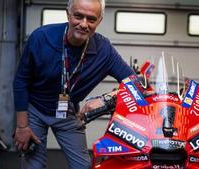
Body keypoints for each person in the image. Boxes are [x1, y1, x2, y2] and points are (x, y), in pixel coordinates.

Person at [13, 0, 134, 168]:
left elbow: (136, 84)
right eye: (78, 16)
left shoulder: (104, 50)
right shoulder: (41, 37)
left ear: (99, 21)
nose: (83, 24)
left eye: (91, 19)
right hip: (35, 109)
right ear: (68, 14)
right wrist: (22, 126)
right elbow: (21, 80)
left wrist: (106, 99)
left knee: (82, 166)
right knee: (33, 166)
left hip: (67, 111)